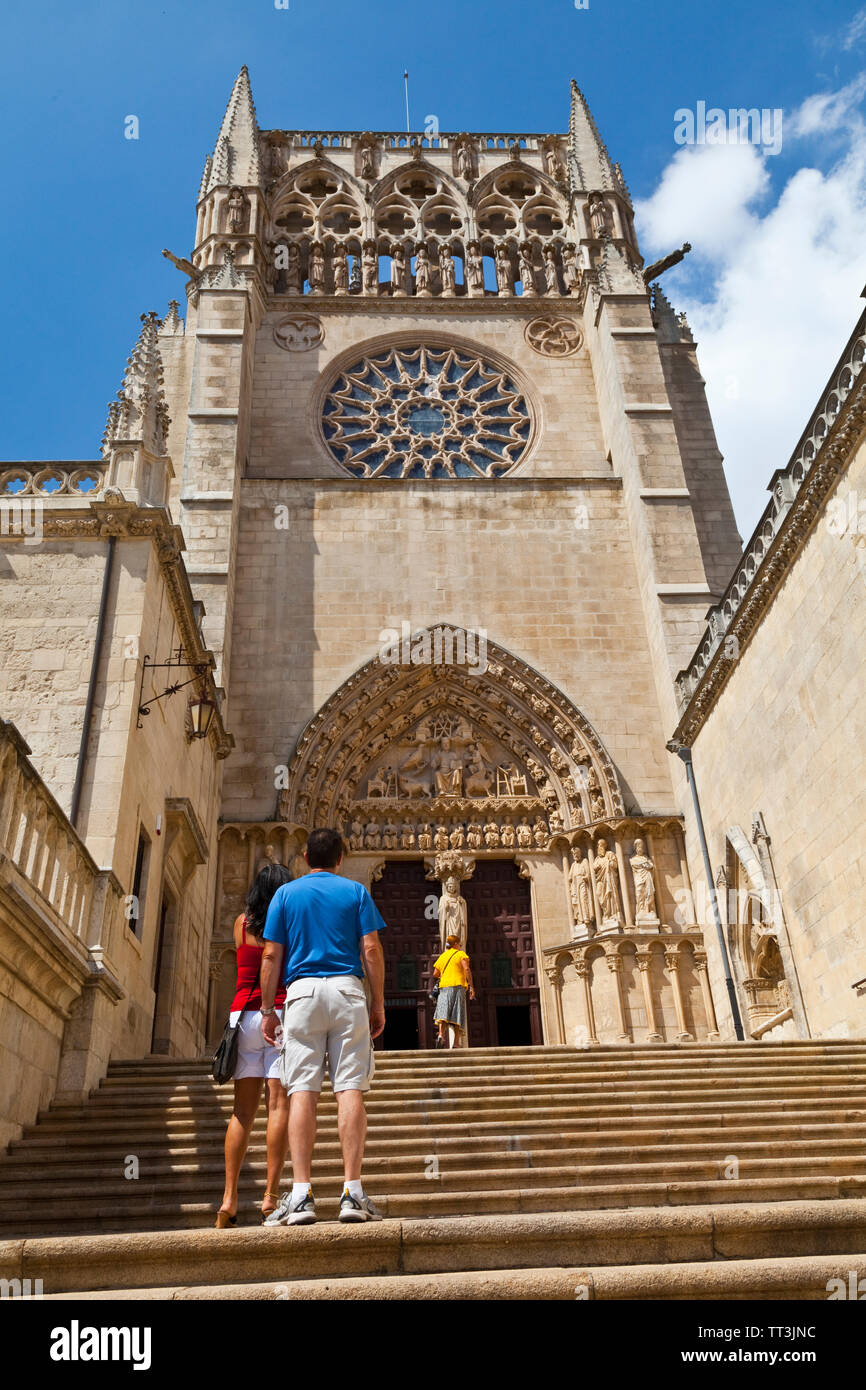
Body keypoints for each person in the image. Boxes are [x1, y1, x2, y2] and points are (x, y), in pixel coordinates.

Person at [260, 828, 387, 1225]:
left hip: (301, 994)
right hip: (348, 992)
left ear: (304, 856)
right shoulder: (355, 892)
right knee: (350, 1089)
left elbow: (269, 955)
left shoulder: (285, 895)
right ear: (341, 857)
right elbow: (370, 948)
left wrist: (267, 1008)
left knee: (302, 1092)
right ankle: (352, 1192)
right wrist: (378, 1001)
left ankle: (300, 1195)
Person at [216, 861, 294, 1228]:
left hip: (240, 1017)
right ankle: (270, 1197)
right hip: (276, 1014)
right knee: (278, 1107)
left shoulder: (240, 924)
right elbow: (276, 958)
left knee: (241, 1113)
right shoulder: (287, 925)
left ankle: (229, 1199)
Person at [432, 934, 475, 1049]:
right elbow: (466, 969)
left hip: (444, 986)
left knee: (443, 1011)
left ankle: (441, 1035)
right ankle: (456, 1043)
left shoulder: (443, 956)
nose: (460, 946)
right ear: (455, 944)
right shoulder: (461, 954)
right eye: (459, 944)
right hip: (457, 986)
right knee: (457, 1013)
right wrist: (471, 986)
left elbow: (435, 974)